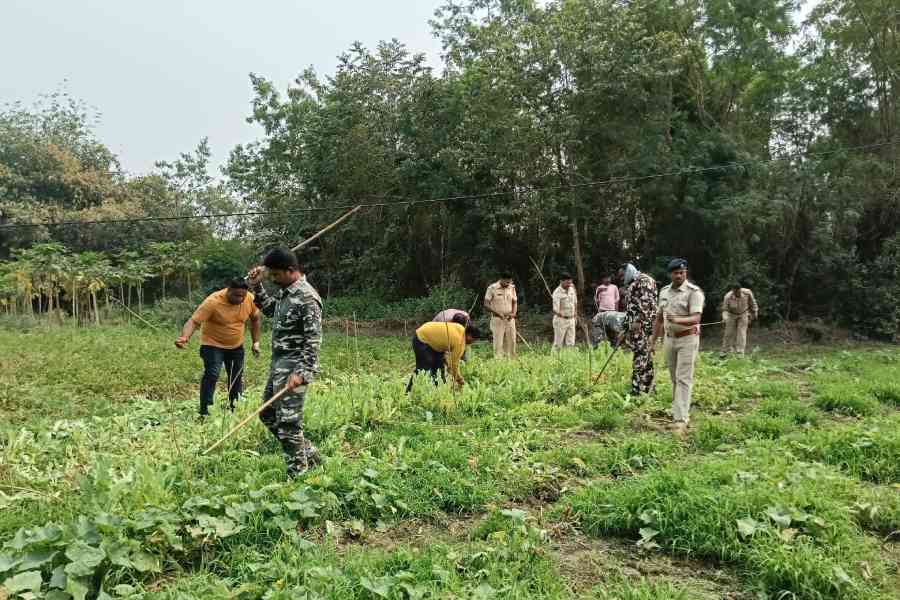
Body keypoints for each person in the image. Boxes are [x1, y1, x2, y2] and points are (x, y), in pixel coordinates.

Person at [246, 248, 323, 477]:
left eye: (276, 275)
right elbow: (270, 310)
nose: (274, 280)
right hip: (278, 366)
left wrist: (302, 372)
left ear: (291, 271)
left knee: (288, 424)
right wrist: (257, 286)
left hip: (294, 367)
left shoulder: (307, 298)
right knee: (267, 414)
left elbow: (314, 339)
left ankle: (298, 476)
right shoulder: (286, 292)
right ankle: (310, 453)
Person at [175, 278, 261, 416]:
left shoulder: (249, 299)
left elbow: (255, 319)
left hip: (236, 346)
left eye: (242, 296)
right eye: (236, 295)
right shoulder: (213, 302)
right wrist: (184, 337)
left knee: (236, 377)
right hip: (212, 345)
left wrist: (255, 342)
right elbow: (194, 321)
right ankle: (205, 410)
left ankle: (234, 407)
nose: (240, 299)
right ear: (228, 290)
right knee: (212, 374)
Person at [652, 258, 705, 435]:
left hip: (687, 339)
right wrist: (652, 342)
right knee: (674, 378)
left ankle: (681, 419)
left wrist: (679, 319)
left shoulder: (694, 292)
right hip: (670, 339)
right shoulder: (664, 291)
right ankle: (677, 413)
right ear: (671, 274)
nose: (679, 275)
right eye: (676, 273)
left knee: (683, 378)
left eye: (682, 272)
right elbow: (659, 318)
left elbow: (696, 318)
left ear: (686, 273)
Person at [406, 321, 481, 392]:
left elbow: (445, 342)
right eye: (473, 340)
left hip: (430, 337)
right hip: (422, 338)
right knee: (423, 369)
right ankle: (409, 391)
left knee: (439, 368)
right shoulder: (460, 342)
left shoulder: (461, 328)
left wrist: (447, 362)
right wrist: (459, 379)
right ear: (469, 335)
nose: (472, 343)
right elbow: (453, 365)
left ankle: (439, 391)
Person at [620, 263, 658, 396]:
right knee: (644, 358)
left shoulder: (644, 281)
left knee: (640, 357)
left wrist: (639, 323)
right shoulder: (635, 282)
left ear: (628, 271)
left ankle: (637, 390)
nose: (621, 278)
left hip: (642, 328)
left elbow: (646, 306)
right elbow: (631, 308)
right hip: (636, 328)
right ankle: (649, 388)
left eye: (622, 275)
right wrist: (625, 327)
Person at [484, 274, 517, 357]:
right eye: (506, 282)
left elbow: (515, 302)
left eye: (510, 282)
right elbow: (486, 304)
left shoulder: (512, 287)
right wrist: (497, 313)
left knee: (512, 341)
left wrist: (513, 313)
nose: (508, 284)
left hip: (510, 319)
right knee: (498, 342)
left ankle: (511, 361)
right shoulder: (492, 288)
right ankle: (498, 361)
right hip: (497, 319)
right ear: (501, 279)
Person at [721, 282, 758, 355]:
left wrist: (755, 311)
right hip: (731, 314)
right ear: (733, 291)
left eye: (738, 291)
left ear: (740, 289)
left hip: (743, 313)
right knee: (728, 333)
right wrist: (725, 317)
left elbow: (753, 302)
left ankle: (740, 353)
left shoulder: (747, 292)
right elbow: (725, 309)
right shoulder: (728, 296)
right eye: (735, 292)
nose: (737, 293)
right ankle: (725, 352)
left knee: (741, 333)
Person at [592, 274, 620, 346]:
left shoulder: (614, 287)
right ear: (602, 279)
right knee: (601, 329)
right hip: (602, 311)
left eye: (609, 278)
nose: (608, 280)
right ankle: (600, 346)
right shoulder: (599, 288)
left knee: (613, 330)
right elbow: (596, 301)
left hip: (612, 311)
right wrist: (599, 292)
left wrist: (616, 312)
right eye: (606, 278)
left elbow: (617, 300)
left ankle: (613, 345)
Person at [552, 273, 578, 349]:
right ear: (561, 281)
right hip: (561, 320)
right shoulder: (557, 292)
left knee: (571, 343)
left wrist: (575, 315)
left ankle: (569, 359)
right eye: (567, 283)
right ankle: (554, 360)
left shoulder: (572, 289)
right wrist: (563, 316)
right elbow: (555, 309)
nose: (569, 284)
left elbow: (575, 302)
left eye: (570, 282)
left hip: (572, 319)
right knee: (558, 344)